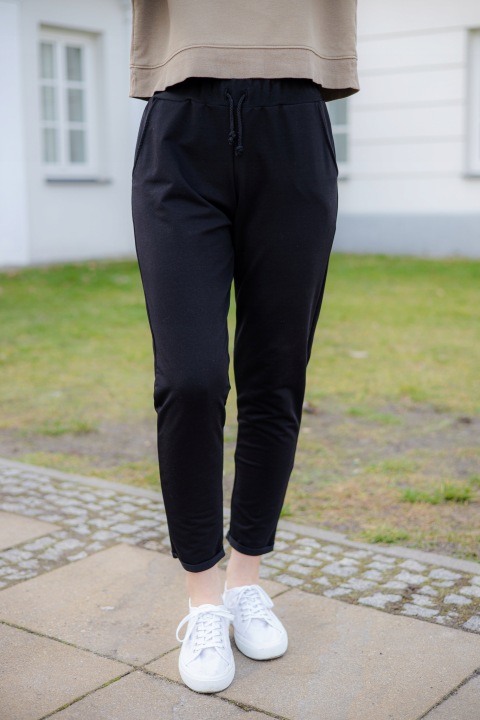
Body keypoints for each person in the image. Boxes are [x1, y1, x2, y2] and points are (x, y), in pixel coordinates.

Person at [130, 0, 359, 695]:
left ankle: (243, 580)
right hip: (181, 119)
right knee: (190, 378)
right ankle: (203, 601)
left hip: (295, 117)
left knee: (276, 373)